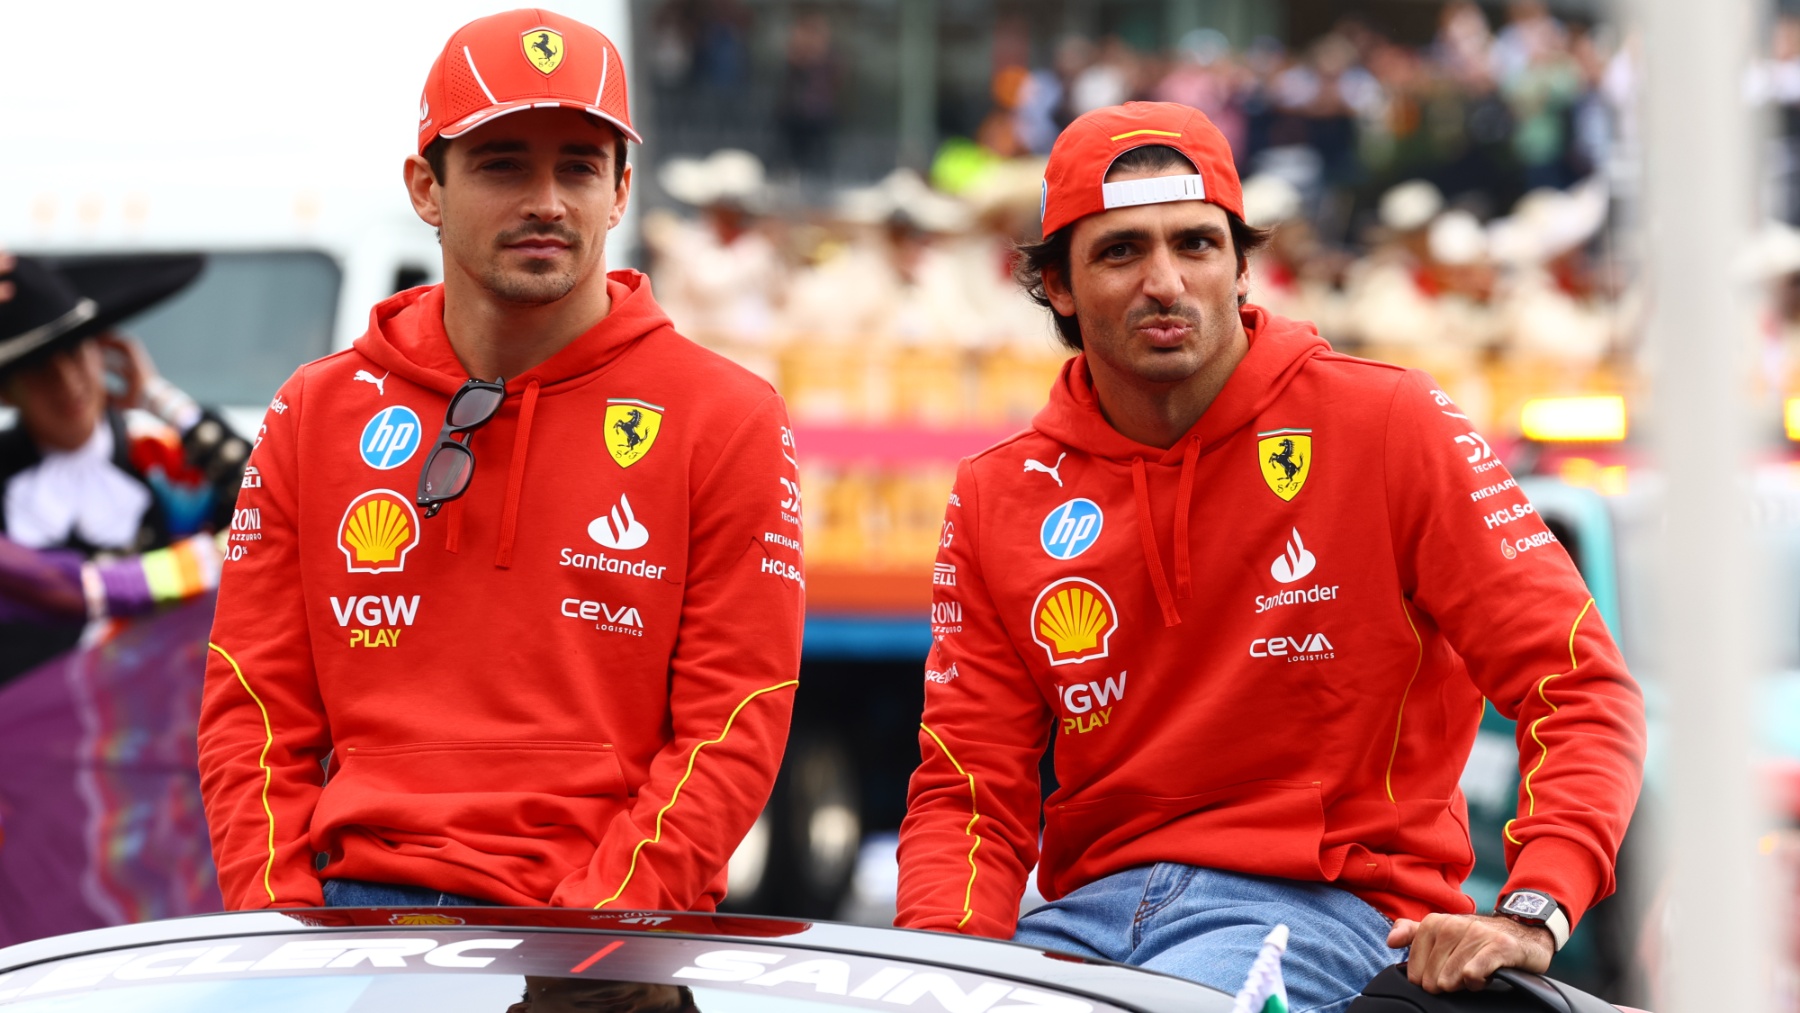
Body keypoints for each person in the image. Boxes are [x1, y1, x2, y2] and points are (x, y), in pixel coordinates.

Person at [895, 102, 1644, 1010]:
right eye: (1120, 251)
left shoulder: (1387, 422)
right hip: (1080, 923)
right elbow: (969, 792)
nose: (1165, 281)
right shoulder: (997, 492)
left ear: (1242, 265)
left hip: (1333, 913)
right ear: (1058, 285)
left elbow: (1579, 685)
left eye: (1197, 245)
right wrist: (934, 975)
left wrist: (1533, 907)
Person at [197, 9, 804, 913]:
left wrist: (599, 938)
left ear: (622, 190)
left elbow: (735, 720)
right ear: (424, 188)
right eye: (502, 162)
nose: (547, 201)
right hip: (356, 920)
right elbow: (254, 711)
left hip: (612, 933)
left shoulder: (728, 416)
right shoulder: (313, 410)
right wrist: (285, 932)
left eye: (579, 166)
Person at [0, 253, 246, 681]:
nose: (67, 382)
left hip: (167, 732)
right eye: (38, 369)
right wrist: (209, 561)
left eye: (75, 352)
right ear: (7, 392)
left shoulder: (168, 459)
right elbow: (67, 591)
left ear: (104, 352)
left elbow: (281, 501)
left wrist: (159, 399)